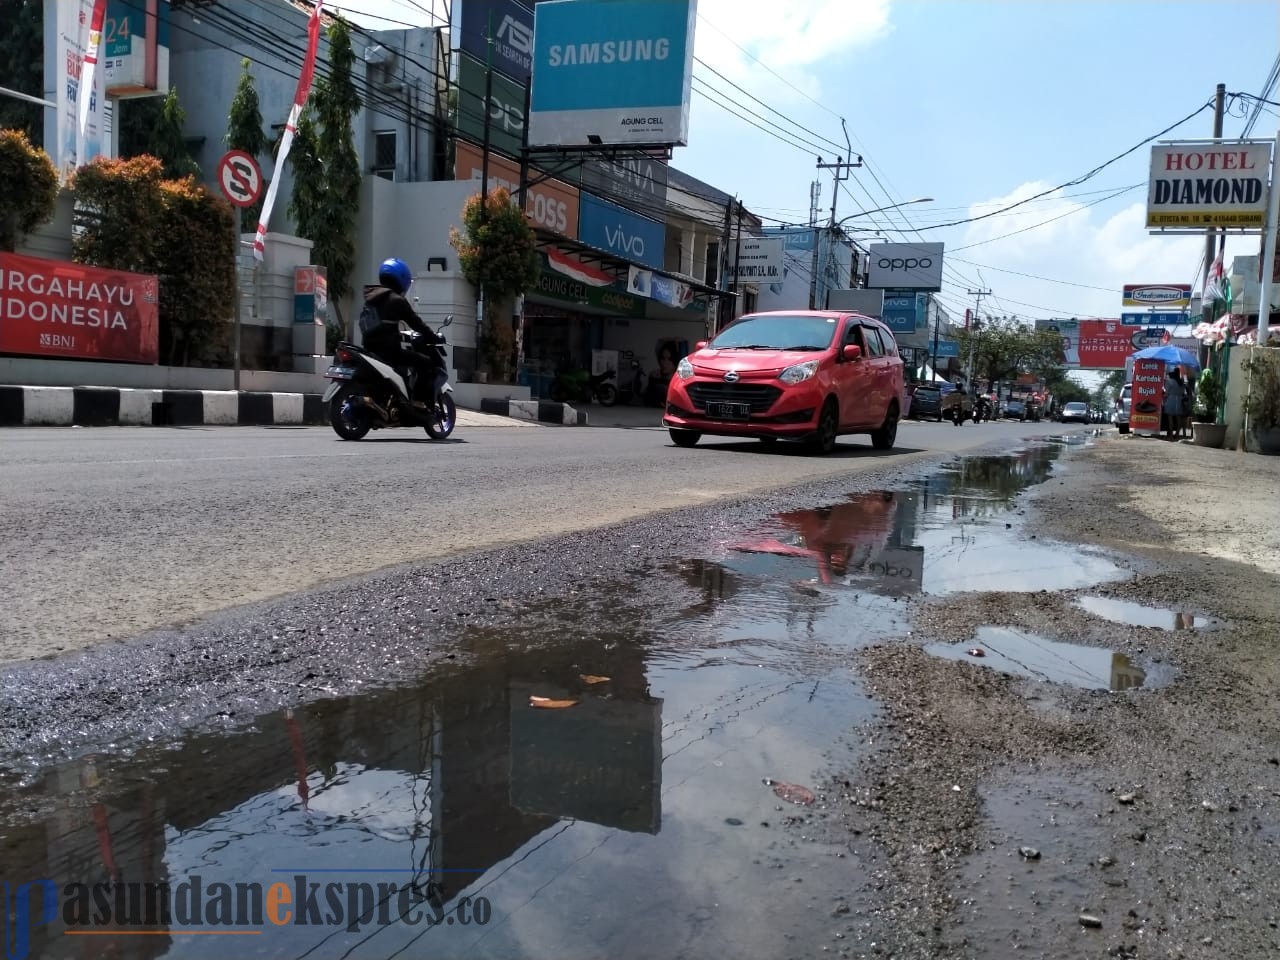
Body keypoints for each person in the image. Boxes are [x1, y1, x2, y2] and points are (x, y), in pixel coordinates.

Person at [362, 257, 444, 407]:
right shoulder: (396, 300)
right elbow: (417, 323)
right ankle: (417, 401)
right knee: (425, 363)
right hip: (389, 352)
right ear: (402, 278)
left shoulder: (372, 297)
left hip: (369, 349)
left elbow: (381, 325)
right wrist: (433, 337)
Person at [1163, 367, 1184, 440]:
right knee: (1178, 418)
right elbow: (1182, 392)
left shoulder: (1170, 381)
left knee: (1170, 418)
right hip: (1178, 400)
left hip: (1171, 400)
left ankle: (1170, 435)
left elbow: (1166, 392)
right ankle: (1177, 434)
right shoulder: (1181, 382)